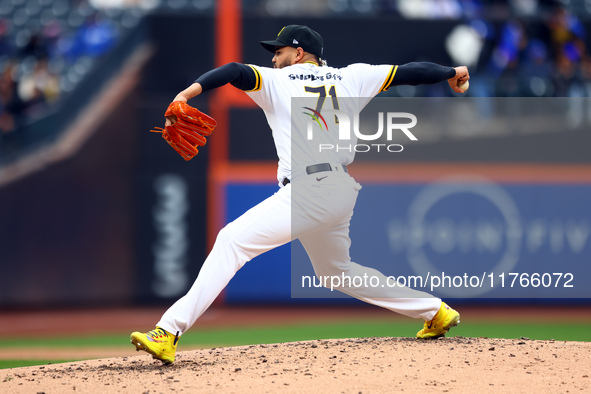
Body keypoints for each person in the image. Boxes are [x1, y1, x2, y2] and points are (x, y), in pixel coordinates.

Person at [131, 25, 470, 364]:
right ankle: (434, 311)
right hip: (339, 189)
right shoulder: (353, 77)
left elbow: (234, 71)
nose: (274, 58)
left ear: (299, 53)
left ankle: (168, 331)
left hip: (309, 190)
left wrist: (187, 93)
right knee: (337, 272)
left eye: (279, 51)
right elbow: (412, 72)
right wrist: (453, 72)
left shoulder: (277, 81)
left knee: (231, 240)